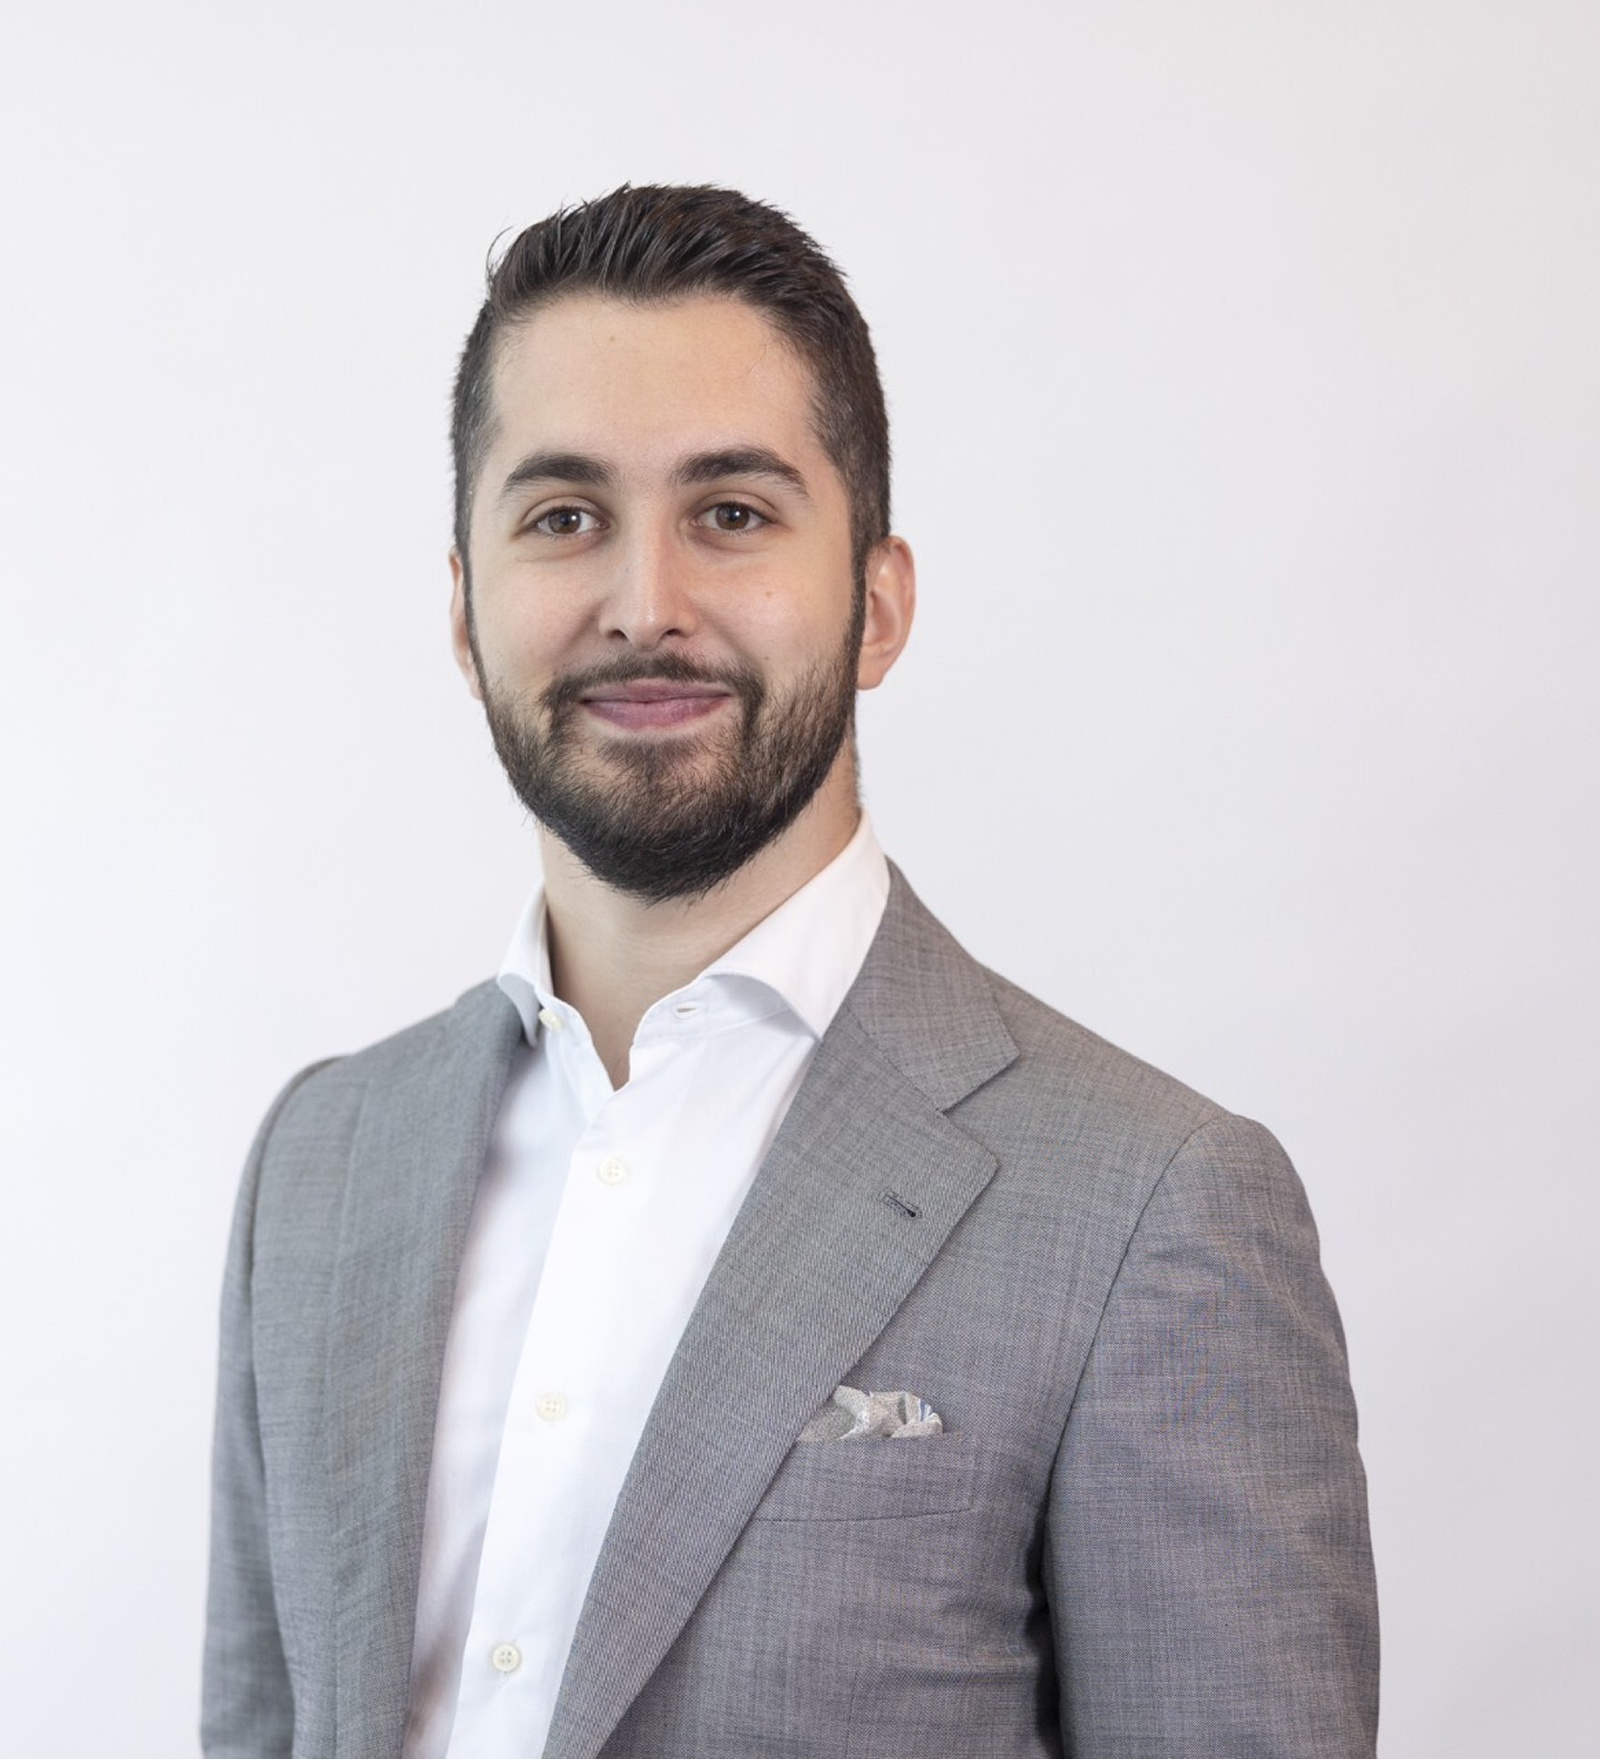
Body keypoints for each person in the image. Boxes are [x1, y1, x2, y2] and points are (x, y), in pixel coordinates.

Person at [202, 184, 1378, 1760]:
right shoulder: (320, 1166)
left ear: (877, 603)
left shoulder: (1153, 1207)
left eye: (733, 514)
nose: (645, 605)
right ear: (468, 615)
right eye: (563, 517)